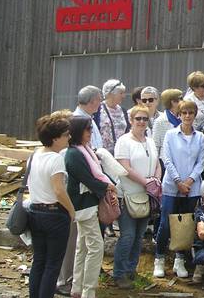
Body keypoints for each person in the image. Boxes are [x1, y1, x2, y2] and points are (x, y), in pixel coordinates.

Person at [65, 116, 118, 298]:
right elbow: (87, 178)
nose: (91, 133)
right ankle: (88, 291)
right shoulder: (74, 153)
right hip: (83, 205)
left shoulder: (83, 150)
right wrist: (106, 187)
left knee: (83, 246)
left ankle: (77, 288)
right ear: (79, 131)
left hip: (86, 204)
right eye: (88, 129)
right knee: (96, 247)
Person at [154, 100, 204, 279]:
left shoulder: (199, 137)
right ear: (179, 115)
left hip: (192, 188)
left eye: (191, 113)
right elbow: (166, 159)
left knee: (185, 224)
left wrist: (189, 182)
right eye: (184, 113)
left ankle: (180, 260)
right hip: (171, 185)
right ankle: (159, 259)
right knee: (165, 224)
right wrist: (178, 181)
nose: (187, 116)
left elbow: (201, 162)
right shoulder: (170, 134)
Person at [113, 105, 161, 288]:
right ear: (131, 120)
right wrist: (146, 182)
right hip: (128, 194)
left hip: (147, 195)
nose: (141, 122)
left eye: (144, 119)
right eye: (138, 118)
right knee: (127, 235)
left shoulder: (149, 141)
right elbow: (124, 167)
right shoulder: (124, 141)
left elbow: (157, 162)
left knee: (139, 235)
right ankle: (119, 274)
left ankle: (131, 270)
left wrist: (156, 179)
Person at [28, 113, 75, 298]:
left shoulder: (35, 155)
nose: (69, 137)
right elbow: (58, 190)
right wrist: (71, 210)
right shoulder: (56, 159)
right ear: (55, 138)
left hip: (35, 211)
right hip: (54, 214)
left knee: (39, 261)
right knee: (52, 264)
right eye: (66, 134)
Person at [96, 79, 130, 154]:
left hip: (122, 152)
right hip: (104, 153)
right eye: (121, 93)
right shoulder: (98, 110)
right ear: (110, 94)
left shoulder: (123, 111)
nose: (124, 96)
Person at [151, 89, 183, 156]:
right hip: (166, 161)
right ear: (173, 102)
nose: (184, 101)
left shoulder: (184, 118)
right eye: (181, 98)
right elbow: (156, 145)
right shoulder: (160, 121)